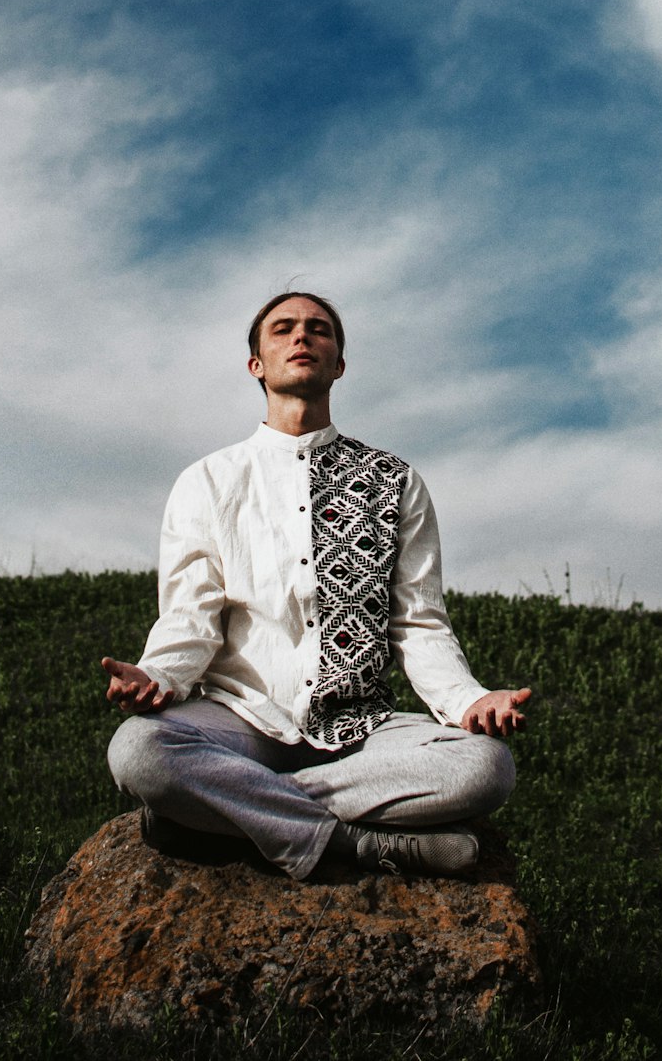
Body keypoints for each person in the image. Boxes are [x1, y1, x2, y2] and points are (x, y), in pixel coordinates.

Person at [102, 292, 530, 882]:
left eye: (319, 330)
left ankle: (229, 810)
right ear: (257, 364)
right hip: (241, 721)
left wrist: (467, 701)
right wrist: (159, 678)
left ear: (339, 364)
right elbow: (189, 617)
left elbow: (418, 621)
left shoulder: (394, 481)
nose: (301, 337)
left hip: (361, 732)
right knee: (137, 751)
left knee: (485, 767)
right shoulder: (208, 481)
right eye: (282, 329)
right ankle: (354, 843)